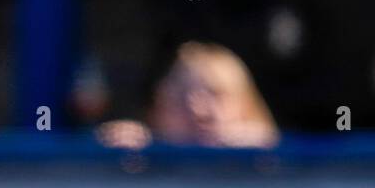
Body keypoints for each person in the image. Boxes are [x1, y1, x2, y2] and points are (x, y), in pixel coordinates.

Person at [98, 42, 278, 149]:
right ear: (159, 112)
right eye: (181, 98)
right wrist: (117, 154)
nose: (199, 110)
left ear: (247, 107)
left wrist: (265, 153)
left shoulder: (280, 175)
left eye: (217, 94)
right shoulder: (140, 160)